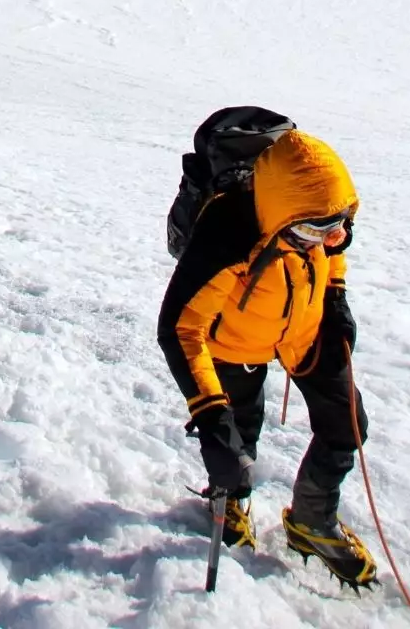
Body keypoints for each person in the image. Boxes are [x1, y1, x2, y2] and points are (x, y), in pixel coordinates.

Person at [157, 127, 377, 588]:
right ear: (281, 215)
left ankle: (312, 521)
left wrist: (334, 298)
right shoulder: (226, 235)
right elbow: (180, 327)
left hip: (304, 329)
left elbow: (331, 248)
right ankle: (231, 499)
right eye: (312, 229)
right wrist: (209, 414)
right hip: (234, 342)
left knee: (347, 422)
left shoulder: (318, 221)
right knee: (236, 435)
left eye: (338, 225)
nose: (328, 238)